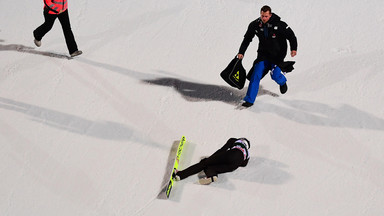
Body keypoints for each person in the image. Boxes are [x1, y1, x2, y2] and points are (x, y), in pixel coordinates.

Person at [237, 5, 297, 107]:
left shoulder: (279, 24)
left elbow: (291, 36)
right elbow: (247, 39)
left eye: (266, 16)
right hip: (263, 55)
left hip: (277, 55)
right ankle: (249, 100)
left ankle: (282, 82)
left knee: (275, 75)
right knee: (255, 75)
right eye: (262, 16)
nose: (264, 18)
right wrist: (241, 51)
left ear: (270, 15)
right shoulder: (255, 25)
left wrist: (293, 49)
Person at [173, 138, 250, 185]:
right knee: (212, 167)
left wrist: (211, 159)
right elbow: (243, 164)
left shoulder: (235, 140)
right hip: (235, 164)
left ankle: (180, 175)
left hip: (233, 153)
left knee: (204, 163)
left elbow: (222, 150)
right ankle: (212, 175)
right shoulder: (247, 154)